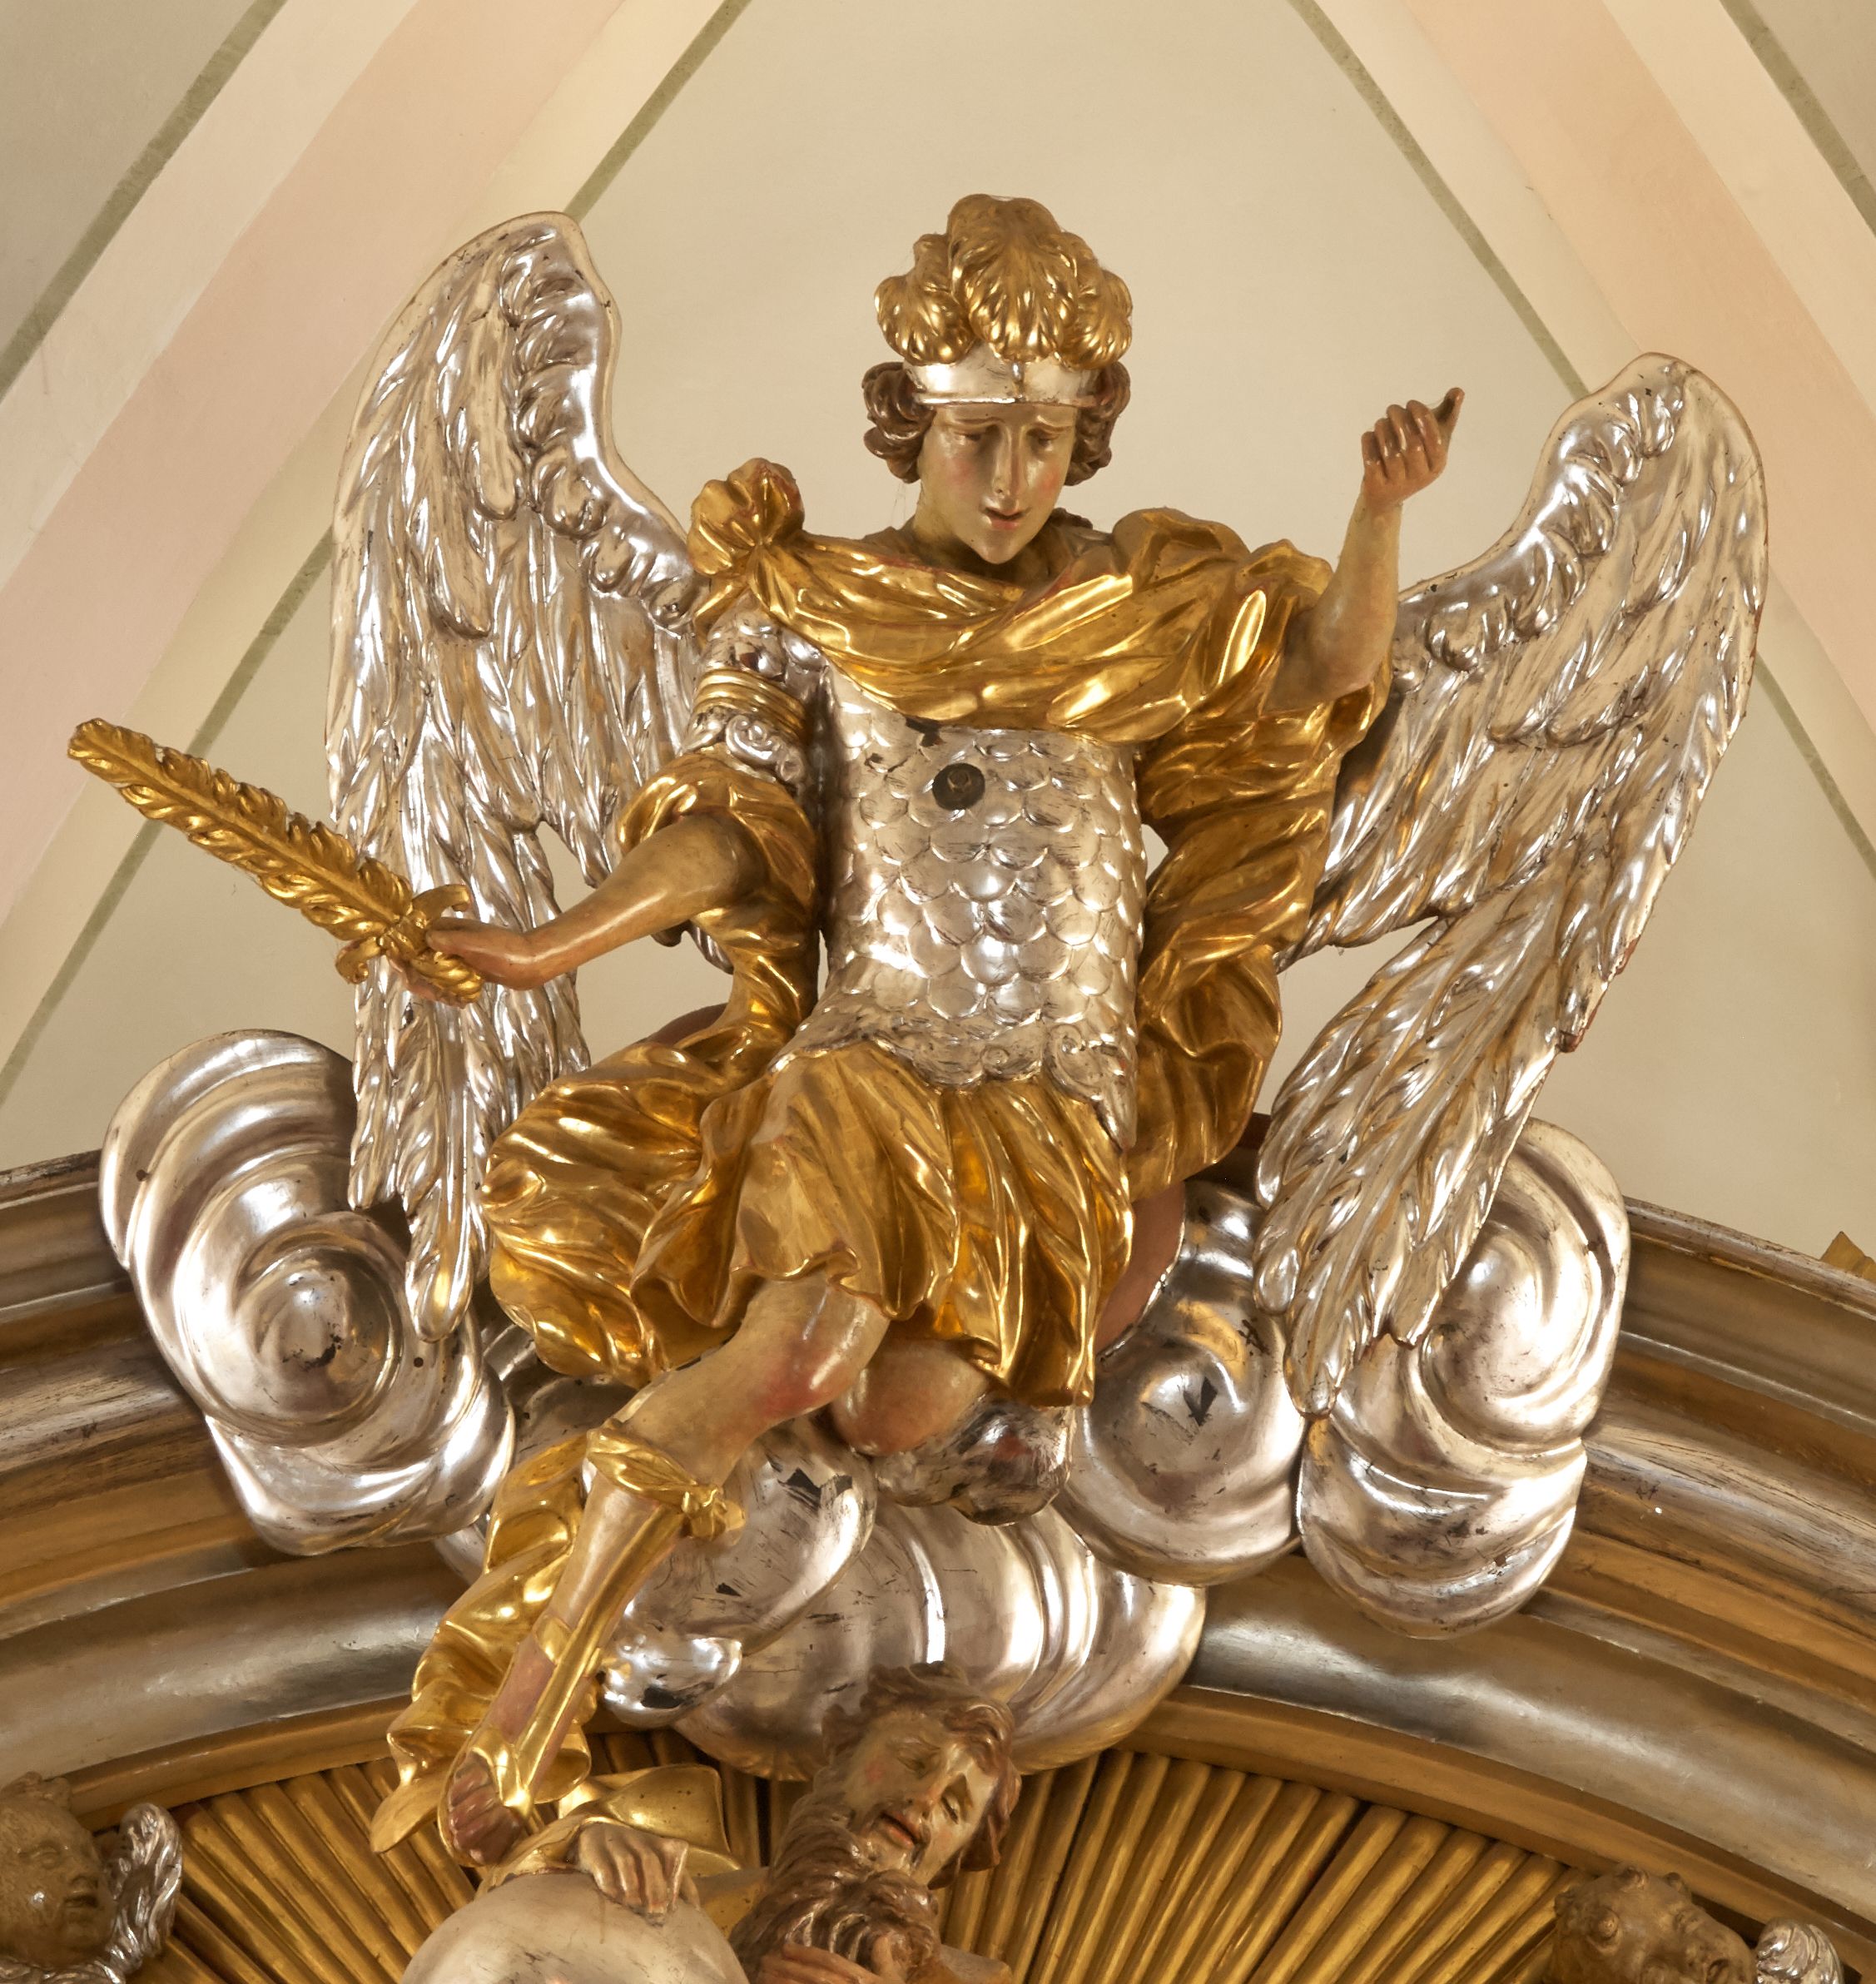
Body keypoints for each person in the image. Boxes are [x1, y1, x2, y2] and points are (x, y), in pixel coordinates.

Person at [370, 192, 1460, 1866]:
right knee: (798, 1357)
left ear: (1086, 433)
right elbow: (728, 826)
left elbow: (1319, 679)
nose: (1010, 477)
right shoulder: (805, 603)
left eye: (1044, 438)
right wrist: (542, 945)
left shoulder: (1149, 611)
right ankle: (525, 1694)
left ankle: (590, 1584)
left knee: (897, 1408)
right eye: (974, 436)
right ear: (908, 420)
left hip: (1055, 1104)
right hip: (869, 1059)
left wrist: (1378, 513)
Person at [400, 1665, 1019, 1984]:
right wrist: (570, 1856)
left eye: (955, 1807)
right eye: (912, 1760)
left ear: (959, 1856)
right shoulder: (679, 1894)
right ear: (840, 1762)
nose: (924, 1799)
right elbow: (498, 1960)